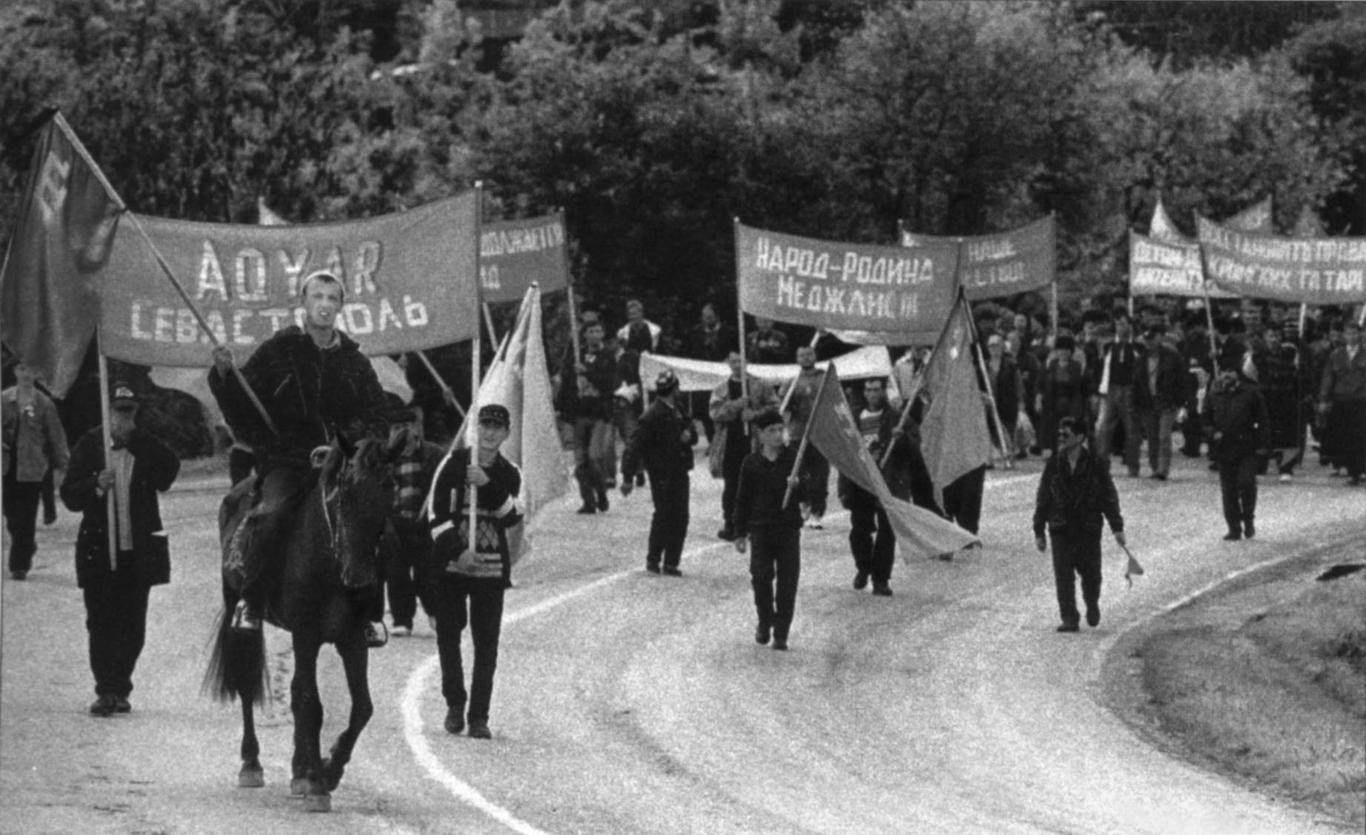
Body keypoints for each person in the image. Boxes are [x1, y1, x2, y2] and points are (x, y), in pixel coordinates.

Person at [209, 269, 390, 642]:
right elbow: (243, 410)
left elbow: (378, 418)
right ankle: (251, 601)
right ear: (303, 303)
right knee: (271, 514)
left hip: (342, 467)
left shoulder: (356, 362)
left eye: (332, 298)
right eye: (317, 297)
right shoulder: (277, 352)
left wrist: (343, 446)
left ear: (341, 305)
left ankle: (369, 614)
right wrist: (225, 377)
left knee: (377, 525)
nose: (324, 305)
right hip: (288, 463)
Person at [60, 382, 179, 715]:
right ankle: (105, 689)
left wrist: (136, 441)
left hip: (137, 551)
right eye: (118, 411)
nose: (125, 417)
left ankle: (121, 685)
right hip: (99, 550)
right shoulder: (90, 445)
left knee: (133, 623)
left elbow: (168, 475)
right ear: (107, 411)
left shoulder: (146, 444)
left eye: (130, 411)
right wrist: (95, 484)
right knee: (100, 620)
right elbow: (69, 495)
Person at [428, 403, 524, 739]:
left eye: (498, 428)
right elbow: (435, 517)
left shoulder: (510, 472)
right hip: (453, 567)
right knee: (448, 636)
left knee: (487, 644)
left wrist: (485, 483)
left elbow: (512, 515)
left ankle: (479, 715)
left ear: (506, 433)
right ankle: (455, 702)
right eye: (486, 426)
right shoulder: (453, 464)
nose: (491, 433)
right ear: (476, 428)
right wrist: (458, 550)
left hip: (491, 570)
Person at [1032, 416, 1125, 633]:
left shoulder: (1095, 465)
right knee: (1063, 574)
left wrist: (1117, 526)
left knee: (1091, 574)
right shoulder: (1053, 465)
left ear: (1081, 438)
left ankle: (1091, 602)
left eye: (1067, 434)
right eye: (1060, 434)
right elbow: (1043, 497)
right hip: (1060, 527)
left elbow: (1108, 496)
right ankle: (1069, 617)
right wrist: (1039, 530)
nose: (1061, 438)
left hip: (1087, 528)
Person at [838, 377, 923, 596]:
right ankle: (863, 567)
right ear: (864, 393)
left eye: (877, 390)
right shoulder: (853, 418)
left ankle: (881, 578)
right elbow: (845, 454)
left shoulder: (897, 418)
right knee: (859, 531)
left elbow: (915, 450)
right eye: (869, 390)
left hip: (889, 482)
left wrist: (901, 438)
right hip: (862, 482)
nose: (873, 394)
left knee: (886, 533)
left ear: (883, 392)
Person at [733, 408, 805, 650]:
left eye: (779, 429)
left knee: (788, 582)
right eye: (771, 431)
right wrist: (739, 532)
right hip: (761, 530)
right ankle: (765, 620)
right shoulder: (751, 463)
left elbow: (810, 492)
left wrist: (798, 485)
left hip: (788, 529)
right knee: (761, 578)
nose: (777, 435)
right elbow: (742, 499)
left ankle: (782, 632)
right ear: (760, 435)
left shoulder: (792, 458)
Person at [621, 370, 698, 575]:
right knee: (664, 515)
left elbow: (693, 434)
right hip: (661, 472)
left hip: (679, 469)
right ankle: (654, 558)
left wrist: (688, 437)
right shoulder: (652, 415)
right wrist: (628, 476)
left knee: (680, 516)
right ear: (674, 389)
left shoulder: (679, 409)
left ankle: (672, 561)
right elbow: (634, 446)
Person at [377, 405, 443, 636]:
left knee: (428, 571)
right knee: (396, 573)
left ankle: (435, 613)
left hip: (424, 522)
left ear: (416, 428)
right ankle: (402, 619)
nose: (402, 431)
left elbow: (445, 484)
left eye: (406, 426)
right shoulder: (384, 460)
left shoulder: (434, 454)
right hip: (396, 525)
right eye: (396, 428)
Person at [2, 361, 70, 580]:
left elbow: (56, 437)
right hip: (6, 468)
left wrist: (62, 466)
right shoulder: (4, 399)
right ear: (15, 371)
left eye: (30, 369)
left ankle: (19, 565)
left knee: (27, 516)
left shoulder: (44, 403)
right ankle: (26, 544)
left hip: (32, 469)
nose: (26, 374)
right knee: (11, 516)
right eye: (22, 369)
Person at [709, 351, 778, 541]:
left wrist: (755, 415)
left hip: (755, 441)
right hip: (730, 442)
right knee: (731, 485)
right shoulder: (721, 388)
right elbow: (714, 413)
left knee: (756, 483)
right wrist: (735, 406)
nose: (737, 364)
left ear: (747, 361)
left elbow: (774, 406)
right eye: (733, 361)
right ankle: (731, 524)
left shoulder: (760, 385)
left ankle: (755, 524)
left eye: (740, 360)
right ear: (728, 363)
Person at [1203, 367, 1271, 540]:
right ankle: (1234, 527)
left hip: (1246, 446)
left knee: (1247, 483)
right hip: (1223, 447)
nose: (1226, 375)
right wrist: (1212, 432)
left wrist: (1263, 445)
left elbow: (1262, 419)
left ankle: (1248, 519)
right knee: (1229, 490)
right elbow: (1205, 418)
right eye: (1223, 372)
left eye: (1230, 372)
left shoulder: (1250, 393)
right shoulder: (1213, 394)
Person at [562, 320, 617, 514]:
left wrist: (588, 372)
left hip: (598, 414)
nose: (595, 334)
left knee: (594, 457)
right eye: (591, 331)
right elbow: (568, 383)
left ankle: (601, 492)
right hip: (579, 413)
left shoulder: (607, 356)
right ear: (585, 335)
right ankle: (588, 500)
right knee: (580, 462)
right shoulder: (577, 355)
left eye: (598, 330)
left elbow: (609, 382)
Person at [779, 345, 830, 529]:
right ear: (797, 358)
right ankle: (803, 505)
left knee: (820, 475)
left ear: (815, 355)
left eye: (809, 354)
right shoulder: (792, 381)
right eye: (802, 355)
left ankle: (817, 511)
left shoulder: (824, 377)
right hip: (797, 433)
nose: (806, 358)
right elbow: (783, 407)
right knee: (798, 474)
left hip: (820, 433)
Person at [1133, 323, 1188, 480]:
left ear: (1160, 338)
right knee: (1152, 436)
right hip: (1148, 402)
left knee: (1164, 436)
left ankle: (1162, 470)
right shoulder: (1141, 359)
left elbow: (1182, 380)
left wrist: (1181, 401)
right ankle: (1155, 467)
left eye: (1152, 338)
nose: (1149, 342)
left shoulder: (1173, 357)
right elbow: (1136, 383)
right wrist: (1135, 403)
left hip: (1167, 402)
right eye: (1147, 339)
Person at [1094, 312, 1144, 475]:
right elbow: (1100, 368)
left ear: (1130, 326)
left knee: (1131, 430)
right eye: (1118, 324)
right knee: (1103, 428)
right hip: (1110, 389)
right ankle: (1102, 464)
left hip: (1129, 389)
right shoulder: (1108, 346)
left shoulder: (1137, 346)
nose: (1121, 327)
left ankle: (1132, 464)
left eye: (1124, 323)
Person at [1317, 318, 1366, 485]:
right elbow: (1328, 378)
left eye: (1355, 333)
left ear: (1360, 334)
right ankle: (1352, 471)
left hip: (1361, 401)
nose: (1351, 336)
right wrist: (1324, 399)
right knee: (1345, 437)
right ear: (1344, 335)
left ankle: (1361, 468)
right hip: (1341, 401)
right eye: (1348, 333)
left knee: (1361, 436)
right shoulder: (1336, 355)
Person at [1255, 324, 1304, 481]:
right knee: (1263, 434)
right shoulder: (1257, 355)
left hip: (1285, 399)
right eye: (1270, 336)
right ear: (1265, 338)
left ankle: (1286, 469)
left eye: (1277, 336)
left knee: (1287, 435)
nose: (1274, 339)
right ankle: (1260, 467)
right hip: (1265, 399)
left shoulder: (1291, 353)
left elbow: (1298, 373)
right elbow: (1249, 374)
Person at [684, 303, 735, 443]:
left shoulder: (729, 332)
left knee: (722, 408)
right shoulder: (694, 333)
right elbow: (689, 353)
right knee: (705, 411)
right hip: (703, 379)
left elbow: (735, 350)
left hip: (723, 377)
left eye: (710, 317)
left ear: (717, 317)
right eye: (705, 317)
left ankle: (722, 440)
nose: (707, 320)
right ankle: (712, 442)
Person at [1037, 334, 1090, 457]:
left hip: (1071, 403)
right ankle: (1049, 451)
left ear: (1071, 351)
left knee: (1069, 429)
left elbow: (1085, 387)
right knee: (1050, 428)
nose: (1063, 352)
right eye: (1060, 349)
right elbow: (1040, 385)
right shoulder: (1049, 366)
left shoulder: (1078, 367)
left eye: (1066, 349)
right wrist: (1038, 399)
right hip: (1052, 403)